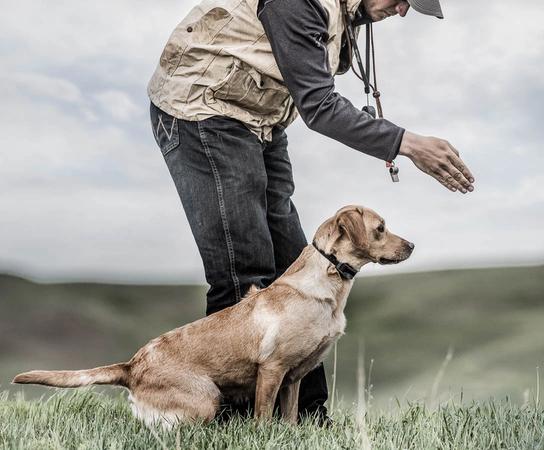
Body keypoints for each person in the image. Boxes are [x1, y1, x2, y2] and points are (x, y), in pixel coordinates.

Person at [147, 0, 474, 422]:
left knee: (301, 264)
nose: (402, 10)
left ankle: (308, 419)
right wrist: (406, 143)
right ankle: (239, 424)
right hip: (204, 111)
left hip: (258, 120)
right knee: (242, 268)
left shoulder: (346, 13)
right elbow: (318, 105)